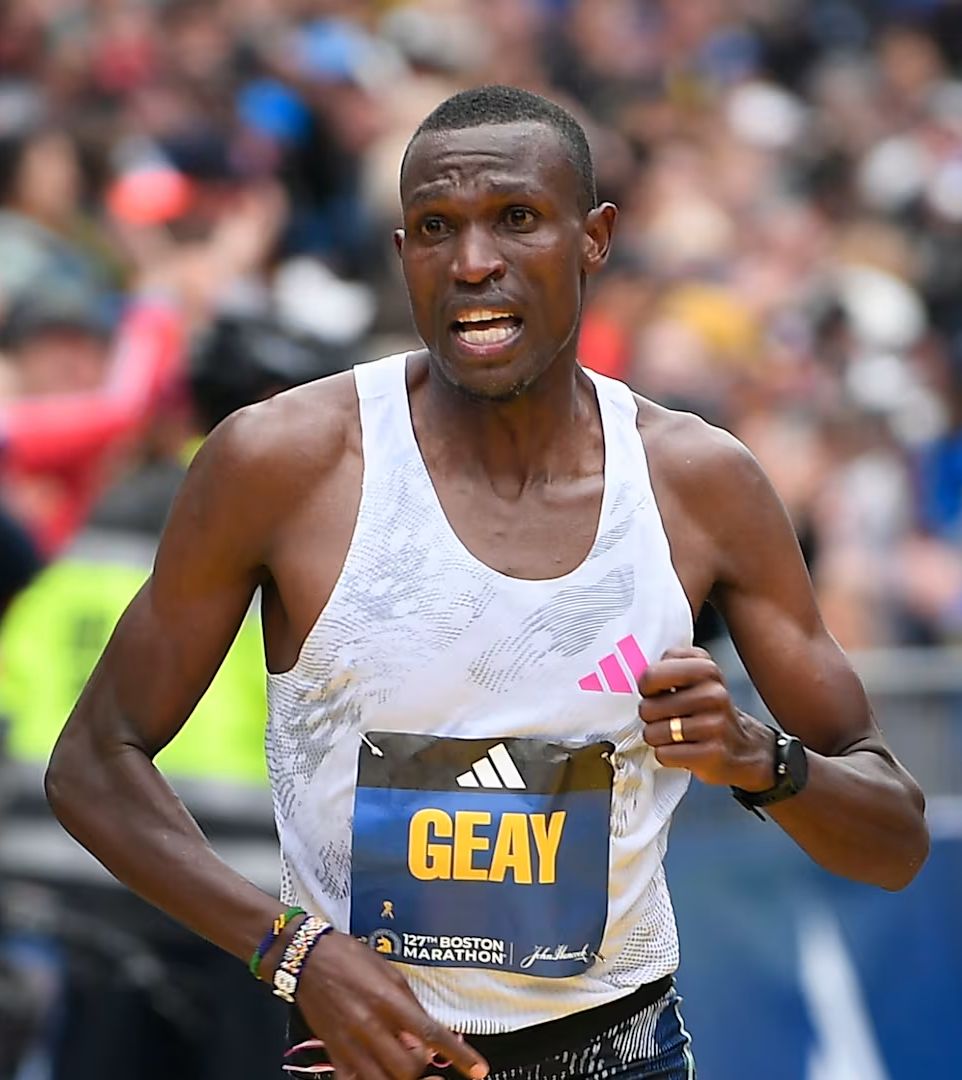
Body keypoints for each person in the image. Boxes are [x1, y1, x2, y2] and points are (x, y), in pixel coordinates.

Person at [45, 85, 929, 1080]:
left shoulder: (699, 484)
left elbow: (893, 840)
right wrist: (293, 952)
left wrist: (760, 759)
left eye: (515, 220)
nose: (471, 263)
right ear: (401, 254)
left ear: (593, 239)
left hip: (621, 1054)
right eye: (435, 228)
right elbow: (92, 762)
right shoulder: (284, 463)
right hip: (362, 1056)